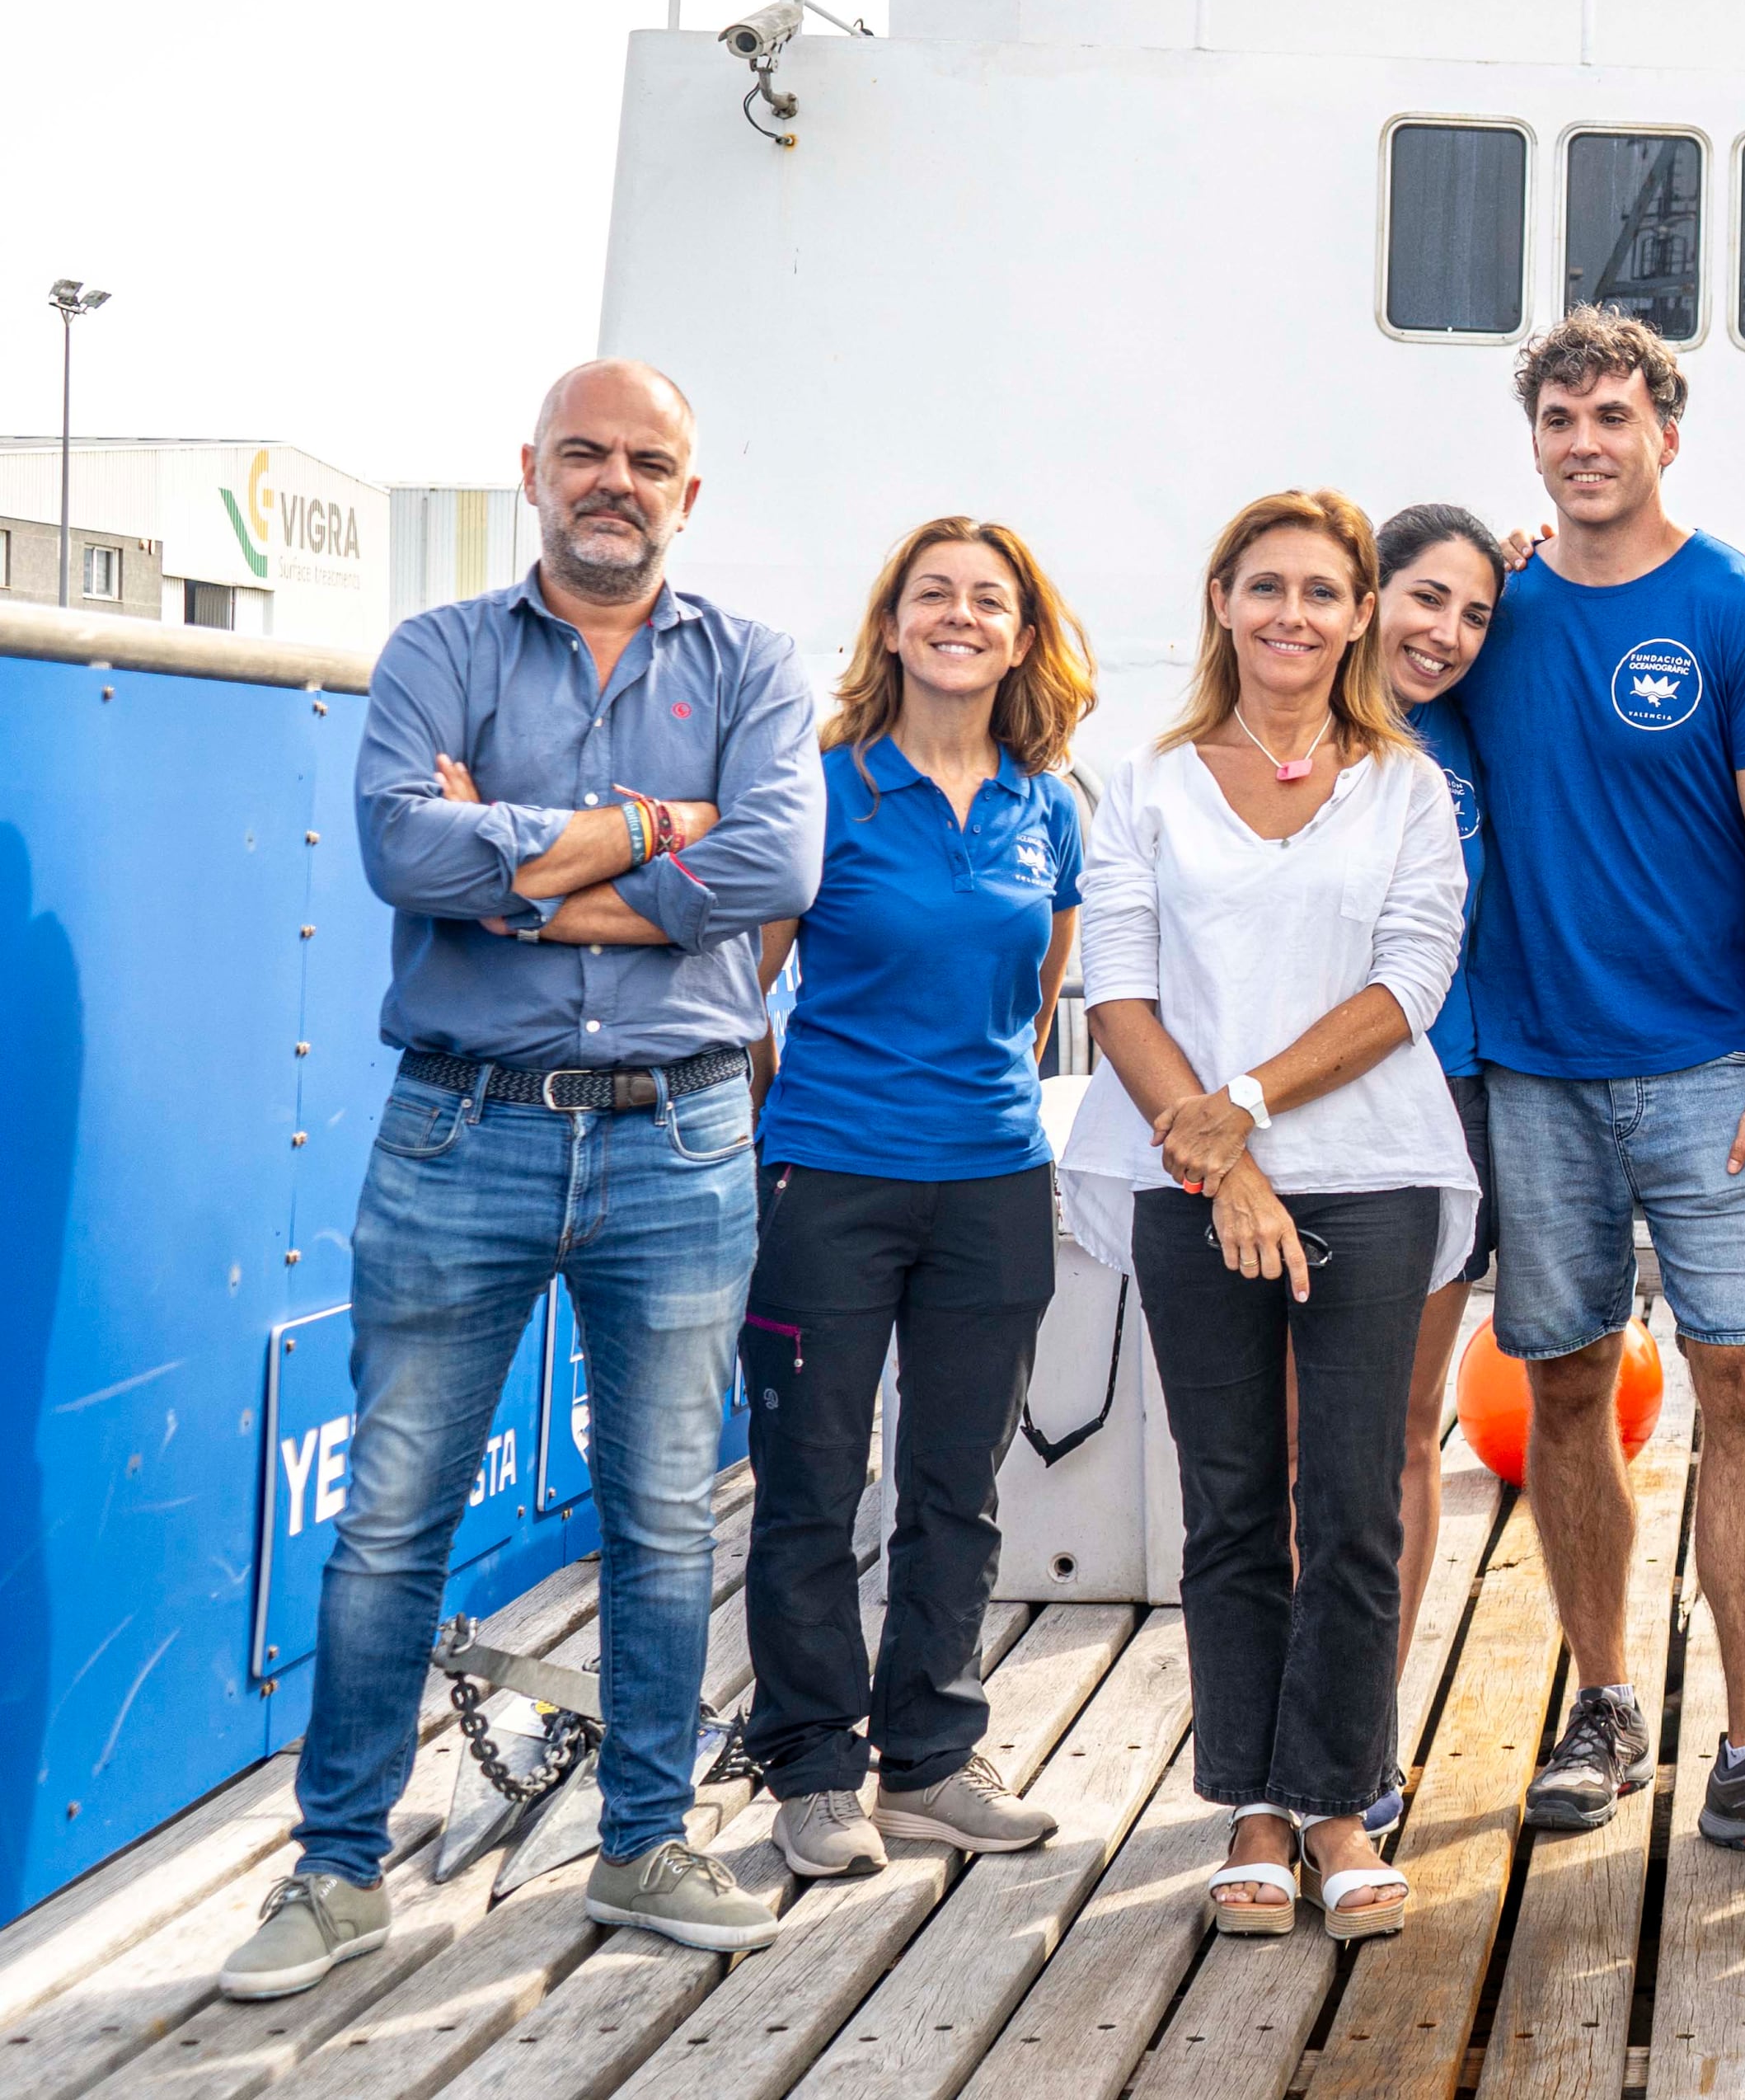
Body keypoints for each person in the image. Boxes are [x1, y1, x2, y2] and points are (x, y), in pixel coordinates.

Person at [232, 361, 819, 2001]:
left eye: (649, 459)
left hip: (683, 1133)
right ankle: (338, 1870)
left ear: (687, 493)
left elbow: (775, 863)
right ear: (532, 473)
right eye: (586, 452)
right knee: (389, 1527)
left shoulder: (757, 663)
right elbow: (404, 854)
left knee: (659, 1520)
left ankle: (645, 1837)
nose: (614, 478)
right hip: (458, 1128)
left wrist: (532, 869)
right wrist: (653, 825)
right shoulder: (440, 650)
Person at [1452, 309, 1745, 1882]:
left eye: (1612, 414)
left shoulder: (1742, 615)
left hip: (1711, 1070)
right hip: (1536, 1070)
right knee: (1566, 1383)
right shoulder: (1489, 613)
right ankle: (1607, 1702)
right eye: (1560, 416)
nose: (1585, 440)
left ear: (1667, 433)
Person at [1067, 491, 1476, 1943]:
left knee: (1354, 1501)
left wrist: (1238, 1102)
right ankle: (1248, 1797)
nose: (1294, 614)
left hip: (1373, 1174)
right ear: (1223, 600)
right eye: (1268, 588)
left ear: (1360, 613)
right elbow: (1113, 983)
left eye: (1324, 590)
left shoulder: (1405, 787)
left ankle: (1340, 1796)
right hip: (1194, 1187)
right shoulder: (1152, 779)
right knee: (1232, 1499)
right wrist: (1220, 1157)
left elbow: (1406, 988)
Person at [743, 517, 1096, 1878]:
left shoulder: (1051, 803)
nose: (959, 614)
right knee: (812, 1479)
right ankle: (815, 1766)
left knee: (959, 1481)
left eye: (987, 598)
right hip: (829, 1177)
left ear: (1021, 634)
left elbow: (1041, 990)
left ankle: (933, 1758)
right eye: (930, 594)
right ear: (890, 625)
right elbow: (748, 994)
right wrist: (804, 1121)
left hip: (996, 1181)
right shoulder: (824, 787)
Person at [1373, 505, 1509, 1709]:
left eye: (1474, 611)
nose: (1448, 632)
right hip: (1294, 1106)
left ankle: (1366, 1718)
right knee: (1300, 1440)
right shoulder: (1292, 716)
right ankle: (1278, 1717)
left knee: (1406, 1425)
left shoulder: (1470, 722)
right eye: (1425, 598)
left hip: (1446, 1095)